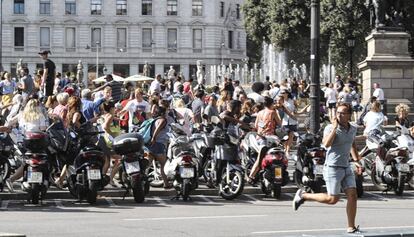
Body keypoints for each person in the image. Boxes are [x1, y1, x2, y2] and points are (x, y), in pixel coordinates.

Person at [293, 103, 363, 234]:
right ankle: (303, 196)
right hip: (333, 168)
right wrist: (335, 129)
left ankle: (351, 226)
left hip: (346, 166)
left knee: (353, 195)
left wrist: (357, 160)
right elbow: (326, 144)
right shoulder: (330, 128)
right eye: (338, 112)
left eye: (342, 113)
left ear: (349, 115)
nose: (339, 115)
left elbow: (351, 143)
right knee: (332, 199)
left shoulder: (352, 128)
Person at [4, 99, 49, 192]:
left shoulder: (21, 114)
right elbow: (44, 128)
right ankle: (46, 180)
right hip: (39, 142)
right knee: (44, 160)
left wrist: (13, 130)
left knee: (27, 162)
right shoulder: (40, 116)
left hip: (24, 142)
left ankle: (12, 179)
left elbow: (10, 122)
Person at [248, 96, 281, 182]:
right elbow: (280, 123)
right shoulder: (272, 112)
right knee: (278, 157)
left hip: (260, 137)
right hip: (271, 138)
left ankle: (252, 175)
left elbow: (255, 126)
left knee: (261, 156)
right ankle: (278, 176)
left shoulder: (259, 113)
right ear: (272, 104)